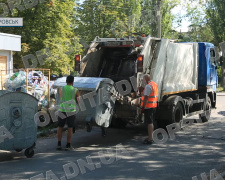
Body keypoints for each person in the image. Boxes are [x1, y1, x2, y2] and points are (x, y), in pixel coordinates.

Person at [57, 75, 80, 150]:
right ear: (73, 82)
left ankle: (59, 144)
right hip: (71, 111)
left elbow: (61, 97)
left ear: (66, 81)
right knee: (70, 128)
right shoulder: (75, 90)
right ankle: (68, 145)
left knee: (60, 127)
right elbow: (78, 101)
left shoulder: (61, 89)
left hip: (62, 109)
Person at [140, 74, 158, 145]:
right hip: (153, 106)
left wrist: (143, 107)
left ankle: (150, 139)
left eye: (143, 79)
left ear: (146, 79)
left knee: (149, 123)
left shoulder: (148, 86)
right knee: (151, 122)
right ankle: (150, 137)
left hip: (148, 107)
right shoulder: (154, 84)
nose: (142, 80)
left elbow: (146, 98)